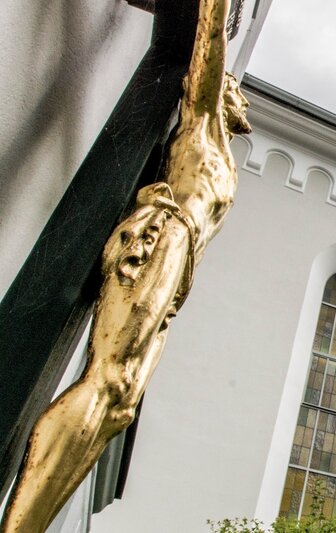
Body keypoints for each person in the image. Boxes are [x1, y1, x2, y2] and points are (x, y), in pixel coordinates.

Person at [0, 0, 250, 530]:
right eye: (234, 88)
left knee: (120, 406)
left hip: (177, 275)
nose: (242, 100)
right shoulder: (201, 125)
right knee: (108, 382)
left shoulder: (223, 154)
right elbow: (209, 41)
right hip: (163, 237)